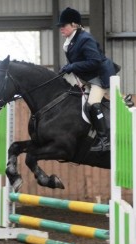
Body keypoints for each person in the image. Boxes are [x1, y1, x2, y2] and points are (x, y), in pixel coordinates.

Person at [57, 7, 119, 152]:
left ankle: (105, 139)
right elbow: (79, 60)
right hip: (87, 77)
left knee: (92, 104)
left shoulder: (85, 39)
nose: (61, 29)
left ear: (74, 25)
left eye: (63, 25)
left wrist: (72, 66)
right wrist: (67, 67)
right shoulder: (70, 41)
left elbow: (95, 61)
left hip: (99, 77)